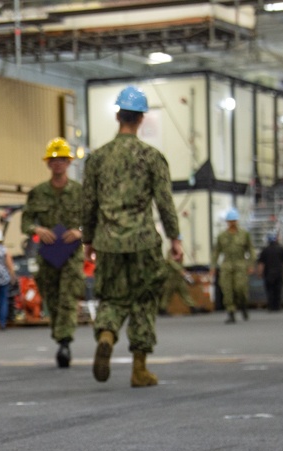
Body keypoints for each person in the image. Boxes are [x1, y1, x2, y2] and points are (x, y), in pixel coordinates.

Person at [82, 85, 183, 387]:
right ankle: (139, 369)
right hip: (143, 242)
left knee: (111, 298)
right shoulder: (152, 157)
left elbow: (87, 204)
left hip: (108, 241)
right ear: (140, 119)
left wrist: (88, 241)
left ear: (117, 115)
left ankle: (107, 336)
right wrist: (175, 238)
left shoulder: (97, 159)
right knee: (143, 299)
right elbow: (164, 202)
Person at [22, 137, 86, 367]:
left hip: (72, 254)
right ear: (48, 163)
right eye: (54, 160)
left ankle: (64, 343)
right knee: (52, 297)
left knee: (68, 296)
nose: (58, 164)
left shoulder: (80, 192)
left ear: (69, 162)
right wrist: (37, 229)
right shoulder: (38, 193)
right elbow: (26, 221)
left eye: (62, 160)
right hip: (48, 253)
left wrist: (80, 232)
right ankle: (60, 334)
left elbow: (93, 219)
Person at [211, 208, 254, 324]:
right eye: (230, 221)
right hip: (226, 266)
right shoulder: (222, 236)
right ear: (227, 222)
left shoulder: (244, 234)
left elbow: (250, 249)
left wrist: (250, 264)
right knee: (227, 290)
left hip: (240, 265)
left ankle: (243, 306)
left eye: (234, 220)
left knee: (240, 289)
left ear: (237, 221)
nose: (232, 223)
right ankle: (231, 313)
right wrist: (213, 266)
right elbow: (216, 251)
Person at [256, 232, 283, 312]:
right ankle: (277, 306)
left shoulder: (265, 250)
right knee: (278, 290)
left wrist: (260, 273)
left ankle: (271, 306)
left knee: (269, 290)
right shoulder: (281, 249)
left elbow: (261, 263)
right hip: (279, 273)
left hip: (268, 273)